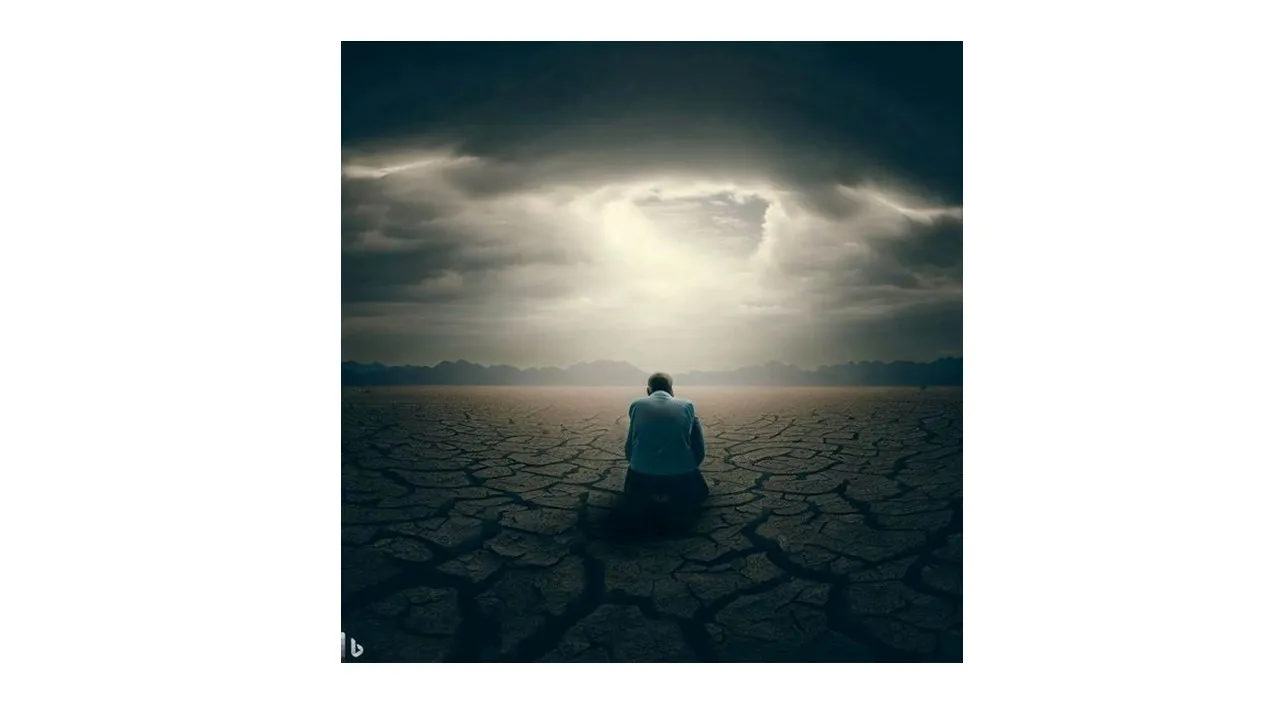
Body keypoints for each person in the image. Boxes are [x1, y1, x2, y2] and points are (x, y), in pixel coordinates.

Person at [622, 372, 709, 515]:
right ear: (671, 390)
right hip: (681, 475)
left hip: (642, 476)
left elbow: (630, 448)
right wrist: (691, 466)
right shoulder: (687, 405)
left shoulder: (636, 406)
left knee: (632, 495)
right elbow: (699, 449)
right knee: (701, 493)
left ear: (648, 391)